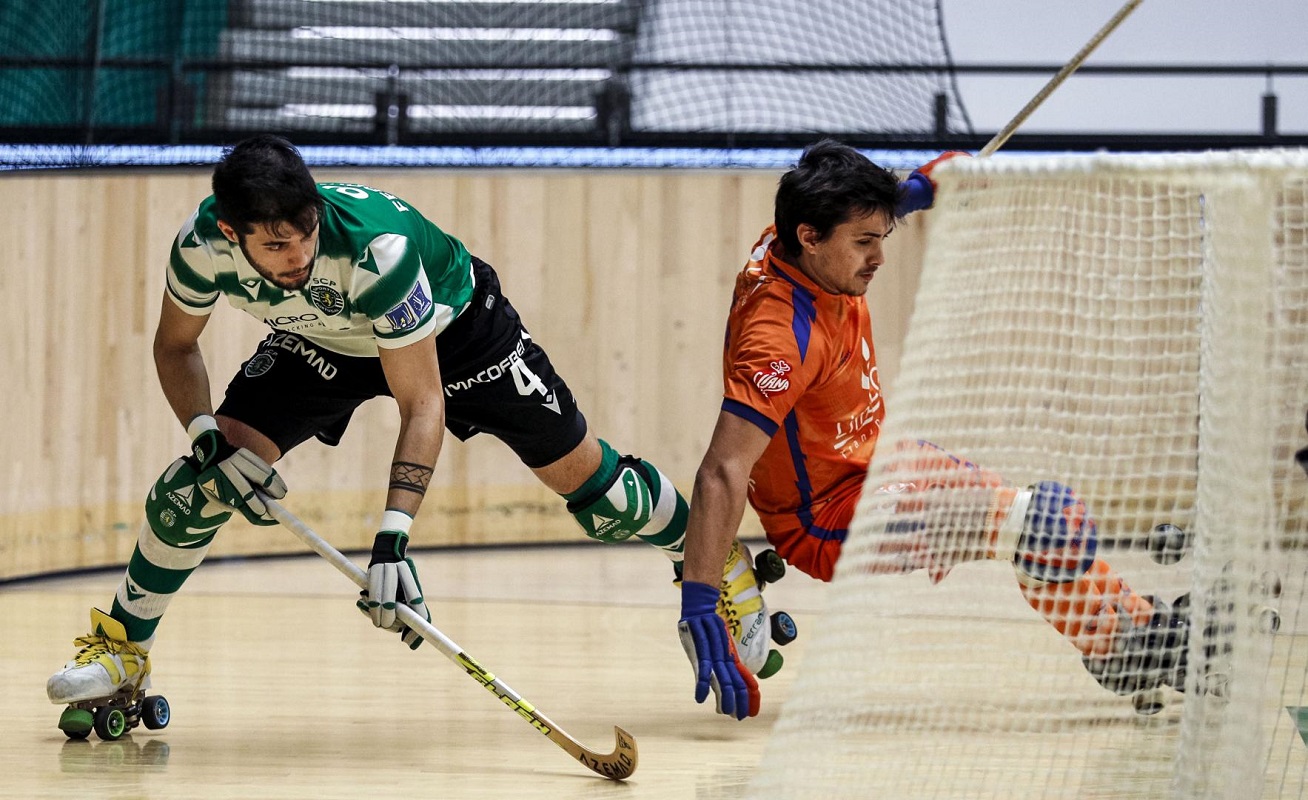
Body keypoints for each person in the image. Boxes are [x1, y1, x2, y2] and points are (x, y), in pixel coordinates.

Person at [46, 134, 705, 728]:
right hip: (325, 345)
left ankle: (705, 554)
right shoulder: (200, 248)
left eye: (306, 231)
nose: (299, 254)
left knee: (600, 494)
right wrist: (206, 439)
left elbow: (421, 403)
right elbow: (175, 348)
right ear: (231, 231)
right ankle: (124, 650)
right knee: (191, 490)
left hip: (460, 337)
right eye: (276, 244)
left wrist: (392, 541)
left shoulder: (374, 249)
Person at [676, 140, 1183, 721]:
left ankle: (1140, 638)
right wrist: (700, 603)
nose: (878, 258)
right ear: (811, 236)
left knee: (1040, 524)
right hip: (829, 515)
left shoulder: (792, 236)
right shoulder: (780, 339)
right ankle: (1134, 647)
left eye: (881, 238)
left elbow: (842, 200)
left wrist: (913, 192)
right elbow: (722, 468)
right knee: (1046, 521)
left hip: (881, 461)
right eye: (864, 243)